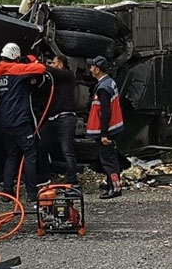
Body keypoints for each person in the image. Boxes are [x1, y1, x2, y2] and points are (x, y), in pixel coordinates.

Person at [0, 42, 46, 202]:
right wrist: (32, 60)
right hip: (20, 121)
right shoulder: (16, 69)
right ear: (15, 57)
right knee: (30, 154)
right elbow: (41, 69)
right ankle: (31, 193)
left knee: (11, 156)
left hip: (4, 122)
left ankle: (7, 192)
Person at [86, 55, 124, 199]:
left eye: (91, 67)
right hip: (113, 127)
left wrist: (104, 133)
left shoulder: (103, 88)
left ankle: (115, 188)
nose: (90, 69)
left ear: (97, 69)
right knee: (109, 158)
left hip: (107, 129)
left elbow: (105, 112)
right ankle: (111, 183)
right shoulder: (110, 82)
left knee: (108, 160)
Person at [38, 54, 79, 185]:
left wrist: (39, 65)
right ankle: (44, 177)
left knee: (67, 150)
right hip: (52, 118)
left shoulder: (68, 75)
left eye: (53, 63)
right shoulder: (52, 81)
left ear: (60, 64)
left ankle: (72, 180)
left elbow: (53, 71)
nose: (51, 65)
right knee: (40, 145)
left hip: (66, 117)